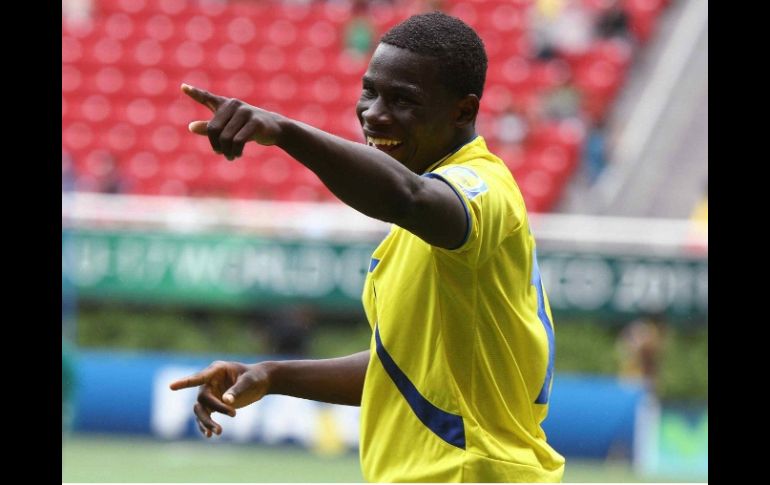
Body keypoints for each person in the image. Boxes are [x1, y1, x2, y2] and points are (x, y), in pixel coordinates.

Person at [170, 12, 565, 482]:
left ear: (463, 110)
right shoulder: (418, 226)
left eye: (403, 100)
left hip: (468, 473)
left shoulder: (483, 186)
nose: (374, 113)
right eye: (370, 92)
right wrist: (273, 375)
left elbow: (408, 197)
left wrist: (284, 132)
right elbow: (402, 368)